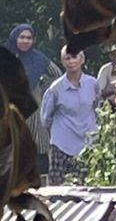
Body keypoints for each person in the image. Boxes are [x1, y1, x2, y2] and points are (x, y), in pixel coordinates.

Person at [39, 48, 100, 183]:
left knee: (87, 186)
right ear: (63, 62)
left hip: (87, 145)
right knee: (58, 189)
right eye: (67, 58)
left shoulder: (93, 84)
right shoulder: (55, 88)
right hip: (62, 145)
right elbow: (46, 119)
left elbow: (97, 108)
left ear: (82, 59)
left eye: (74, 57)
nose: (72, 61)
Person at [7, 23, 60, 174]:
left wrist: (44, 88)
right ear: (15, 38)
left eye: (29, 38)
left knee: (39, 147)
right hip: (11, 106)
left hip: (34, 106)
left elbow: (57, 74)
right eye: (22, 37)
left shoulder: (38, 59)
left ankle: (42, 185)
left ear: (33, 40)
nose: (25, 41)